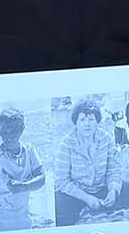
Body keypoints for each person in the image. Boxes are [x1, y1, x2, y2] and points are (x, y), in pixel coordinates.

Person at [52, 97, 122, 226]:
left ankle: (97, 207)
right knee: (60, 211)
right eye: (82, 119)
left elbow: (114, 170)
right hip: (77, 193)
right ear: (76, 122)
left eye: (91, 119)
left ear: (97, 122)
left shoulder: (106, 139)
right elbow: (61, 181)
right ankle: (91, 207)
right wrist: (87, 198)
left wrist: (113, 190)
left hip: (101, 188)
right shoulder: (66, 144)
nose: (87, 124)